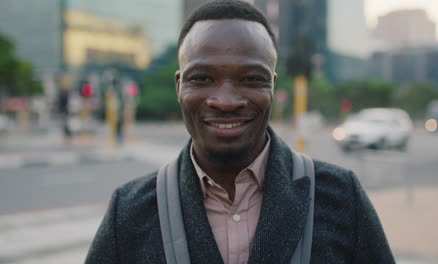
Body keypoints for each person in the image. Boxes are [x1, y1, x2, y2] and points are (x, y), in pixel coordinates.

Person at [85, 1, 395, 263]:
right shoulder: (128, 212)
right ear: (179, 85)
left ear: (272, 85)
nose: (225, 101)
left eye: (250, 79)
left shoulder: (342, 197)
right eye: (203, 78)